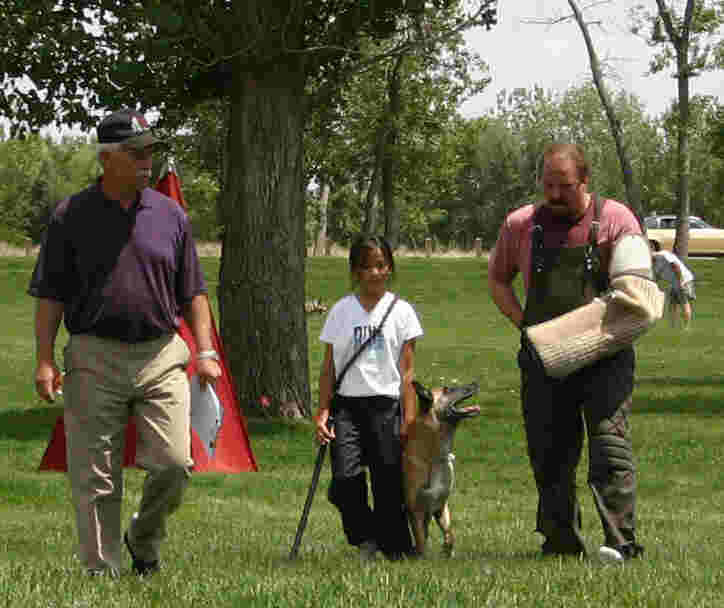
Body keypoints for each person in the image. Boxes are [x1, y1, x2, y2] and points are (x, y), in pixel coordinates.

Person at [29, 109, 222, 577]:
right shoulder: (70, 216)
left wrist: (205, 351)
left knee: (175, 463)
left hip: (161, 355)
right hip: (93, 356)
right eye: (136, 153)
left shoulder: (171, 215)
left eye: (150, 151)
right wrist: (44, 360)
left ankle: (143, 536)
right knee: (96, 474)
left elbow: (193, 292)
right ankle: (102, 571)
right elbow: (50, 295)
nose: (146, 161)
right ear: (107, 158)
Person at [488, 143, 661, 563]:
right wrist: (525, 326)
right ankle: (559, 543)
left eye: (564, 186)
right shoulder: (521, 225)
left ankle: (620, 543)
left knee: (610, 446)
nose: (553, 194)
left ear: (585, 180)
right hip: (544, 357)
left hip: (605, 355)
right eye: (547, 184)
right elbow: (498, 280)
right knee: (549, 453)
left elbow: (637, 288)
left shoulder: (616, 220)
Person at [314, 235, 422, 561]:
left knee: (387, 484)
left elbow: (407, 373)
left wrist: (409, 419)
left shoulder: (402, 312)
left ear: (389, 268)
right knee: (344, 480)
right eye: (366, 266)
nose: (375, 272)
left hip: (386, 406)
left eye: (381, 265)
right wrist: (322, 411)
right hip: (347, 408)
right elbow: (329, 368)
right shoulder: (341, 311)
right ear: (355, 271)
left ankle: (396, 548)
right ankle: (364, 537)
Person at [652, 249, 695, 328]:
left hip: (684, 280)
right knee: (672, 304)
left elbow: (676, 266)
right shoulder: (654, 264)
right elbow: (656, 277)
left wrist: (680, 282)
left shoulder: (663, 255)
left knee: (684, 303)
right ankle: (673, 326)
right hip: (674, 283)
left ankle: (686, 327)